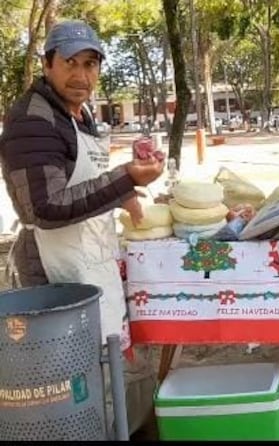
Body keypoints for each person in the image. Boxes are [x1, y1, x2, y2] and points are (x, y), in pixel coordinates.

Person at [0, 19, 163, 433]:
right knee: (64, 384)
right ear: (47, 63)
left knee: (99, 369)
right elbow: (44, 206)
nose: (81, 75)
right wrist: (126, 178)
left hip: (89, 259)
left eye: (90, 64)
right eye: (70, 63)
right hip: (52, 273)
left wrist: (123, 195)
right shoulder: (32, 120)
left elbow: (82, 176)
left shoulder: (80, 113)